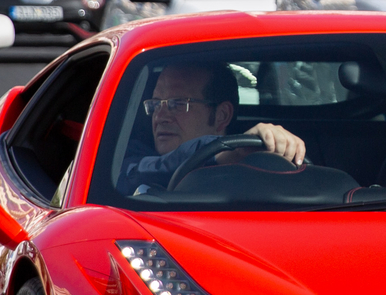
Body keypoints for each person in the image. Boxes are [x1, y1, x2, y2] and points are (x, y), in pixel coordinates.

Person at [119, 60, 306, 194]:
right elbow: (137, 172)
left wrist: (280, 149)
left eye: (177, 103)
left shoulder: (259, 178)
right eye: (156, 104)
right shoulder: (127, 158)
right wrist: (229, 151)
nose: (160, 116)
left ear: (222, 115)